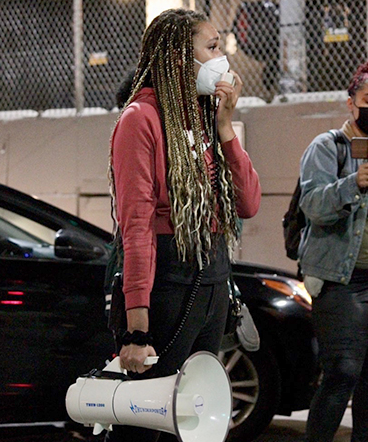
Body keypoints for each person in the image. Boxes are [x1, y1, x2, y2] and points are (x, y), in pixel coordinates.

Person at [106, 8, 261, 442]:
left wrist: (226, 126)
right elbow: (135, 226)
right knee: (145, 423)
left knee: (192, 423)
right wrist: (137, 329)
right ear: (177, 57)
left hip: (211, 277)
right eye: (211, 48)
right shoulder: (142, 118)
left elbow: (247, 203)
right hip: (170, 282)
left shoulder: (203, 116)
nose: (222, 58)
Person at [299, 62, 368, 442]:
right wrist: (352, 184)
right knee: (342, 371)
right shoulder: (328, 147)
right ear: (351, 103)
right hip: (342, 280)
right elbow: (312, 206)